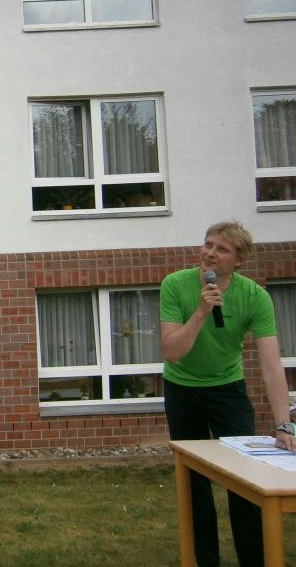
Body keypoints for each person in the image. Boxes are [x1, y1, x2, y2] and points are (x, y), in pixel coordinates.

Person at [160, 220, 295, 567]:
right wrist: (202, 311)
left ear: (238, 260)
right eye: (207, 244)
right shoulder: (175, 284)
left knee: (245, 481)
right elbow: (173, 351)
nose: (209, 253)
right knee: (194, 484)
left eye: (221, 249)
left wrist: (284, 425)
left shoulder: (255, 297)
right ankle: (204, 560)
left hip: (227, 389)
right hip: (183, 387)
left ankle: (254, 559)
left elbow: (271, 365)